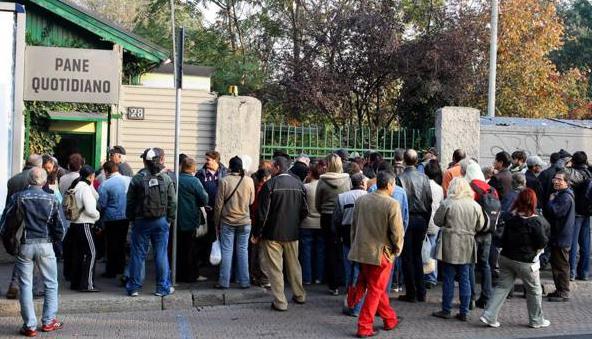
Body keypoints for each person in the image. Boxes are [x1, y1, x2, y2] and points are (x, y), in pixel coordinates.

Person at [0, 168, 66, 337]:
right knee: (51, 284)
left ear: (29, 180)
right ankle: (48, 321)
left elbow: (6, 224)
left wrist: (11, 243)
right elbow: (60, 227)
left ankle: (29, 325)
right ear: (44, 181)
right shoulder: (52, 199)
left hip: (26, 244)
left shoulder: (19, 197)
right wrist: (56, 241)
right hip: (46, 244)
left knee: (25, 285)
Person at [480, 188, 551, 329]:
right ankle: (536, 320)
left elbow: (503, 238)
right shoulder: (535, 222)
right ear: (533, 202)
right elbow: (542, 242)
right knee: (534, 290)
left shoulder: (511, 218)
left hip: (506, 258)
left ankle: (489, 315)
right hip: (526, 261)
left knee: (502, 287)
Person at [347, 171, 404, 337]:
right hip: (381, 254)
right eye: (393, 185)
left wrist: (354, 246)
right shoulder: (392, 204)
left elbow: (354, 227)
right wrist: (397, 249)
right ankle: (364, 327)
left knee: (374, 287)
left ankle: (390, 319)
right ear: (388, 185)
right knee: (375, 290)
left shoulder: (361, 201)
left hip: (363, 251)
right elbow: (397, 233)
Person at [254, 156, 308, 311]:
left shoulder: (270, 185)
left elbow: (262, 214)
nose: (270, 168)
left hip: (272, 233)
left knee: (275, 268)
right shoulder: (298, 184)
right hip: (292, 233)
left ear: (277, 167)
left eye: (272, 166)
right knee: (294, 266)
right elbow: (305, 210)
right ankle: (300, 294)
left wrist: (257, 233)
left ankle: (280, 301)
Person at [432, 177, 485, 321]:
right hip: (467, 242)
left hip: (449, 242)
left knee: (448, 278)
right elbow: (480, 226)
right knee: (465, 278)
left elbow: (437, 221)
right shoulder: (474, 205)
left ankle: (446, 309)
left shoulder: (448, 203)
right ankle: (464, 311)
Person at [126, 148, 176, 297]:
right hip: (161, 221)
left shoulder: (137, 179)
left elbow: (130, 202)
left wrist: (131, 219)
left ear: (144, 161)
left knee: (137, 254)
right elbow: (172, 202)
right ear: (159, 160)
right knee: (161, 254)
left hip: (141, 221)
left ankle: (134, 287)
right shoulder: (166, 179)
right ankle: (162, 288)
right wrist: (169, 219)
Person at [4, 154, 43, 300]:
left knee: (22, 253)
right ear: (38, 165)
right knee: (33, 255)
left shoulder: (13, 180)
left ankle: (14, 285)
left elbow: (9, 202)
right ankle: (31, 287)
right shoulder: (37, 177)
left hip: (15, 218)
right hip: (31, 220)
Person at [214, 156, 255, 289]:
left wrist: (216, 221)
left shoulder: (224, 181)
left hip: (228, 221)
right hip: (245, 221)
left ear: (230, 167)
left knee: (227, 251)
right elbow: (251, 201)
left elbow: (218, 204)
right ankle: (244, 281)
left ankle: (224, 282)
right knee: (243, 251)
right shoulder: (249, 181)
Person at [463, 160, 500, 309]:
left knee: (471, 264)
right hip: (488, 232)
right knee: (485, 265)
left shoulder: (470, 187)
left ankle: (471, 297)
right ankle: (486, 297)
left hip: (473, 232)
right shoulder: (491, 189)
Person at [397, 149, 433, 303]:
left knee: (407, 257)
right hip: (421, 219)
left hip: (407, 219)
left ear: (404, 161)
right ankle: (421, 291)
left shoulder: (400, 178)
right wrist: (426, 221)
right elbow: (429, 200)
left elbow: (399, 202)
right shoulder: (424, 178)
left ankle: (411, 292)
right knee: (417, 256)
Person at [315, 153, 352, 295]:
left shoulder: (322, 181)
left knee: (329, 249)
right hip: (343, 216)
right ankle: (344, 279)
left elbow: (318, 202)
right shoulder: (347, 179)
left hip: (326, 216)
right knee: (344, 248)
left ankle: (332, 284)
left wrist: (323, 210)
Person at [333, 173, 368, 316]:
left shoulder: (342, 197)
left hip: (346, 234)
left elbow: (336, 218)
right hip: (362, 235)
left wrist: (337, 234)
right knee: (358, 269)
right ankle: (357, 299)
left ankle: (350, 295)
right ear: (363, 183)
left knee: (348, 267)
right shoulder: (367, 196)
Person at [67, 165, 100, 292]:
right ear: (91, 176)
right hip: (85, 223)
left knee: (78, 255)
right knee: (92, 253)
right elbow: (91, 209)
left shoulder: (76, 186)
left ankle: (75, 282)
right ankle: (87, 284)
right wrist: (98, 215)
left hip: (75, 224)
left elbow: (94, 196)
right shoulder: (85, 188)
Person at [544, 170, 576, 302]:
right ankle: (559, 290)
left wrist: (551, 201)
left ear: (566, 182)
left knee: (561, 265)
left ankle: (563, 292)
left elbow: (555, 212)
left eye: (560, 180)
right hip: (559, 235)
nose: (556, 181)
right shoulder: (562, 195)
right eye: (555, 179)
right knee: (557, 264)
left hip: (561, 236)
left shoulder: (565, 197)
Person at [176, 157, 209, 283]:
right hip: (190, 220)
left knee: (178, 249)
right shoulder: (194, 181)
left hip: (176, 220)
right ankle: (191, 276)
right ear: (193, 168)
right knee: (190, 249)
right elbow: (204, 199)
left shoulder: (175, 179)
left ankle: (177, 275)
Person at [98, 161, 131, 278]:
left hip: (111, 218)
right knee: (121, 242)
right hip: (126, 216)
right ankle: (121, 267)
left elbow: (102, 204)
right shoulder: (128, 180)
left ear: (106, 171)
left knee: (111, 244)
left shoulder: (105, 185)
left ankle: (111, 270)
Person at [196, 150, 228, 274]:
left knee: (220, 237)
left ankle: (218, 263)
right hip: (206, 211)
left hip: (221, 211)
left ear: (216, 160)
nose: (206, 162)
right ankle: (204, 262)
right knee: (204, 236)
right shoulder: (201, 174)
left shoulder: (224, 173)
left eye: (208, 159)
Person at [565, 151, 592, 281]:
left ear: (574, 161)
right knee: (586, 243)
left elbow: (562, 172)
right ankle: (585, 272)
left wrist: (567, 164)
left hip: (576, 212)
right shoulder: (589, 172)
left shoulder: (574, 173)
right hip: (587, 211)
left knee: (573, 243)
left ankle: (572, 272)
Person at [300, 160, 327, 286]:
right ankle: (319, 277)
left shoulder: (305, 187)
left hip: (306, 223)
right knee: (320, 251)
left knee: (306, 251)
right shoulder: (323, 186)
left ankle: (307, 278)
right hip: (320, 223)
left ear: (310, 173)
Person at [249, 167, 272, 287]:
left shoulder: (258, 188)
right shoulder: (264, 189)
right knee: (261, 253)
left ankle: (257, 276)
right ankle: (263, 278)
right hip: (260, 224)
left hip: (256, 223)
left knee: (257, 252)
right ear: (265, 178)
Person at [424, 160, 444, 289]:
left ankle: (425, 273)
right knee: (432, 249)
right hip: (435, 222)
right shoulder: (439, 188)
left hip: (424, 220)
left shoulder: (424, 185)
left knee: (423, 249)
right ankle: (432, 276)